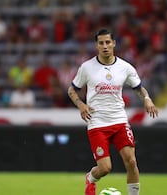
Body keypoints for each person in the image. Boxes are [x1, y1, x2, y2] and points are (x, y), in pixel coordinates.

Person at [67, 29, 158, 195]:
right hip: (97, 123)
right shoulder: (87, 67)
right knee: (105, 168)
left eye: (108, 42)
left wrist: (147, 98)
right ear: (96, 45)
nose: (105, 46)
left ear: (114, 43)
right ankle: (91, 177)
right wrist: (80, 104)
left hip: (119, 121)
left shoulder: (125, 67)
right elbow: (72, 90)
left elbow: (139, 88)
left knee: (131, 161)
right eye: (101, 43)